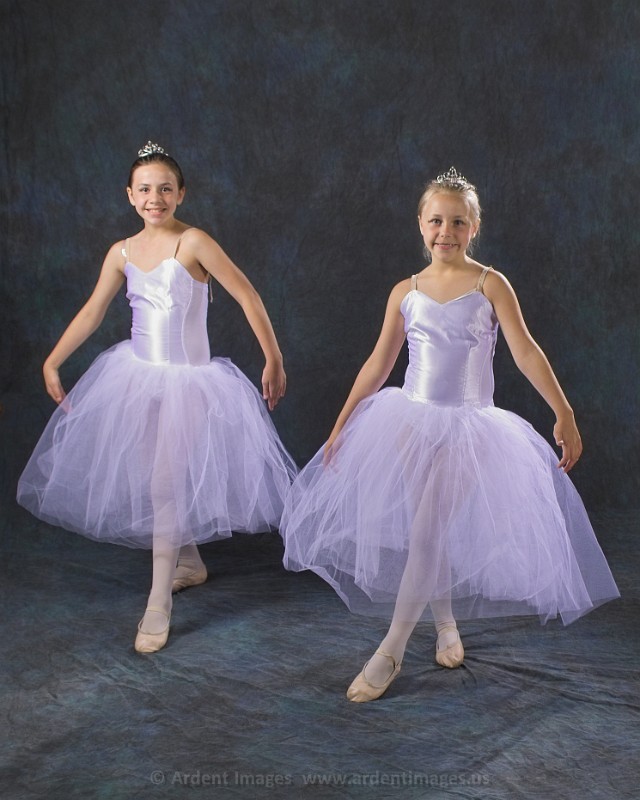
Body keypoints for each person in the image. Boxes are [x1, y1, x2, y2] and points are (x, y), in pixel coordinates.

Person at [281, 167, 619, 702]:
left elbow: (525, 350)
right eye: (436, 221)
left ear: (474, 227)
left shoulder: (490, 285)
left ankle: (391, 648)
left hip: (469, 425)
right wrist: (342, 423)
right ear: (421, 224)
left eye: (458, 222)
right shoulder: (406, 292)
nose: (446, 232)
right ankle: (445, 624)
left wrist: (564, 410)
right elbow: (379, 364)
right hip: (408, 421)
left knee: (427, 530)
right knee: (428, 530)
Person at [17, 142, 297, 654]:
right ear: (130, 195)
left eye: (165, 189)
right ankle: (188, 561)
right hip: (137, 377)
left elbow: (247, 294)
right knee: (155, 481)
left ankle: (157, 601)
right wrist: (52, 360)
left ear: (181, 193)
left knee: (166, 483)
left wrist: (273, 358)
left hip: (188, 383)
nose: (155, 198)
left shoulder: (193, 242)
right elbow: (93, 311)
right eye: (145, 189)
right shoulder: (121, 252)